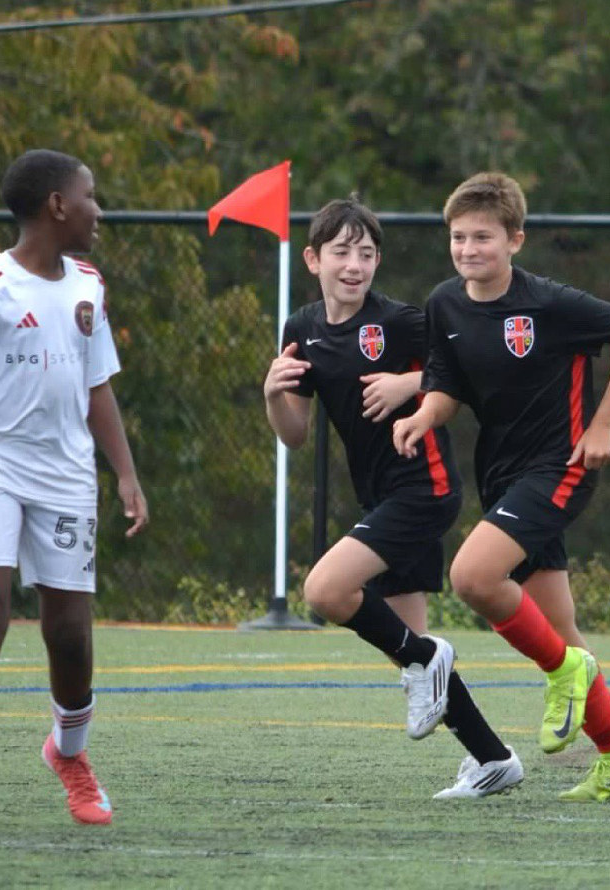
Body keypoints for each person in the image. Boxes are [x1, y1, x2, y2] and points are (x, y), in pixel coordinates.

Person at [390, 172, 610, 802]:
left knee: (473, 577)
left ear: (515, 240)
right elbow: (446, 386)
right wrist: (422, 416)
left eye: (482, 237)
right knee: (561, 630)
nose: (467, 249)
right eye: (457, 237)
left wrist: (604, 423)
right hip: (503, 476)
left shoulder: (549, 303)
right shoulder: (445, 304)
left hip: (561, 467)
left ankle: (566, 673)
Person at [262, 196, 523, 800]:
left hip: (423, 488)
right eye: (342, 252)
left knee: (325, 591)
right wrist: (274, 395)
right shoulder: (300, 329)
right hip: (379, 497)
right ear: (312, 259)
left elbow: (466, 377)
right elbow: (295, 435)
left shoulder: (403, 321)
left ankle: (427, 660)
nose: (355, 265)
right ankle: (491, 757)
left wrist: (409, 382)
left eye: (367, 253)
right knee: (407, 654)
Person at [0, 149, 149, 828]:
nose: (98, 209)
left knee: (70, 634)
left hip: (67, 476)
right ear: (57, 205)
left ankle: (69, 755)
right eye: (90, 196)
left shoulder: (88, 285)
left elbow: (97, 386)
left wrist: (127, 473)